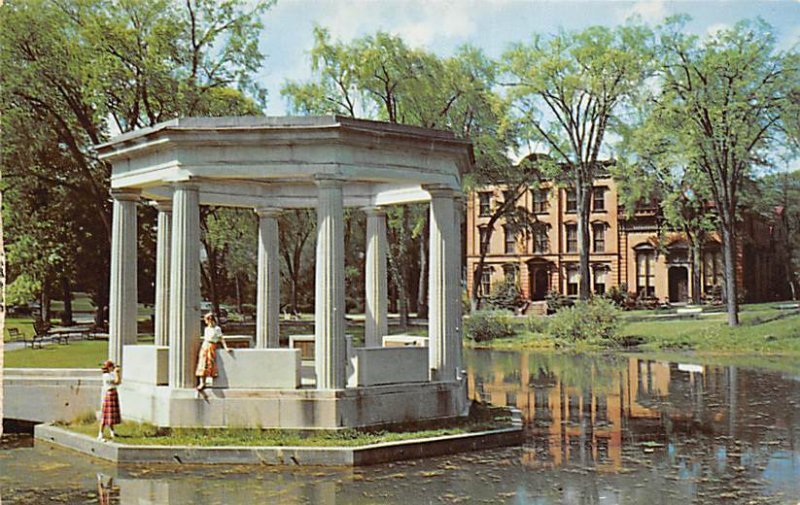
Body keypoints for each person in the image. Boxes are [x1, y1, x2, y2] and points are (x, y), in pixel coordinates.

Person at [195, 312, 231, 391]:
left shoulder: (217, 329)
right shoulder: (206, 329)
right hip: (205, 346)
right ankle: (202, 382)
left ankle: (209, 380)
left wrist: (226, 348)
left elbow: (221, 338)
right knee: (202, 363)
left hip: (212, 345)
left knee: (210, 363)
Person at [98, 360, 121, 441]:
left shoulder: (110, 374)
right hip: (110, 394)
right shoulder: (107, 376)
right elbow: (117, 381)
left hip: (113, 393)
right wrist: (117, 373)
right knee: (105, 416)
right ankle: (100, 434)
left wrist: (116, 372)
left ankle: (112, 432)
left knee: (110, 416)